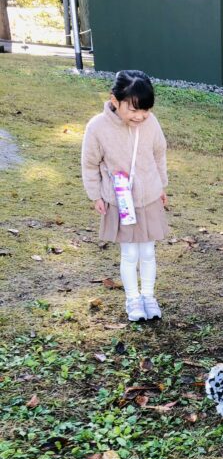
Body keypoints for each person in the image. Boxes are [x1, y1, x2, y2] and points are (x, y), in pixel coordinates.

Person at [81, 70, 169, 321]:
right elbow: (90, 164)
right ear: (114, 100)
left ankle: (148, 296)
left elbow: (159, 154)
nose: (140, 116)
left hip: (149, 196)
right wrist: (96, 195)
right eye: (133, 109)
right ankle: (133, 299)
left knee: (148, 252)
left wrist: (161, 186)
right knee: (130, 254)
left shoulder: (151, 123)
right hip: (120, 200)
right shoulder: (97, 127)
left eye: (146, 110)